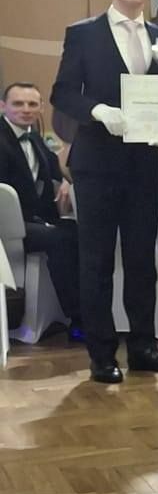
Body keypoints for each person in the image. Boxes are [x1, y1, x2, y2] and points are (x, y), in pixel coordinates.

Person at [49, 0, 158, 383]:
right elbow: (63, 92)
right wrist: (97, 111)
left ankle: (144, 346)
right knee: (96, 260)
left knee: (142, 258)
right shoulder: (84, 34)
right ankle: (101, 354)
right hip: (96, 161)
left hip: (143, 161)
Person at [2, 83, 80, 330]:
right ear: (3, 106)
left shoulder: (34, 137)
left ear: (41, 108)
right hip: (9, 227)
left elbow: (57, 169)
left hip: (35, 221)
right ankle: (77, 318)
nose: (26, 109)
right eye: (18, 104)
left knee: (83, 233)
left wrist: (67, 182)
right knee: (61, 239)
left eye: (32, 104)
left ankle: (90, 311)